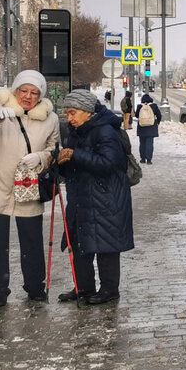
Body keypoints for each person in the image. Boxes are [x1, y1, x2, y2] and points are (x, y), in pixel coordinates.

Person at [0, 70, 59, 306]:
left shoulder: (50, 118)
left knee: (31, 240)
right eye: (23, 90)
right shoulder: (0, 107)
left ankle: (35, 287)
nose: (28, 96)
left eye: (34, 92)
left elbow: (54, 149)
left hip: (27, 186)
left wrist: (40, 157)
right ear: (16, 90)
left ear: (40, 96)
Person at [56, 89, 134, 305]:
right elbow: (76, 164)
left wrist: (75, 154)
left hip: (106, 199)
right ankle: (84, 288)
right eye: (67, 114)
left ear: (88, 111)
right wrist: (61, 165)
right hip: (83, 197)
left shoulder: (105, 131)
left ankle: (109, 290)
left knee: (106, 246)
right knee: (80, 244)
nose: (69, 118)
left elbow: (110, 164)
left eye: (72, 113)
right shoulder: (77, 131)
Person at [135, 92, 162, 164]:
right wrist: (157, 122)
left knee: (142, 143)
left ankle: (143, 159)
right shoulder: (154, 106)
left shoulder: (139, 106)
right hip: (151, 127)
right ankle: (149, 160)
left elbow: (137, 115)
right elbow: (159, 115)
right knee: (149, 143)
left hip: (142, 127)